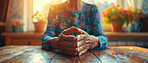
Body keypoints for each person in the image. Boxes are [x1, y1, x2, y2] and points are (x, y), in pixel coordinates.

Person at [41, 0, 108, 56]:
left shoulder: (93, 9)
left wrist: (93, 41)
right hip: (59, 58)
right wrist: (56, 42)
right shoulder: (55, 9)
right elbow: (45, 37)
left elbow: (104, 38)